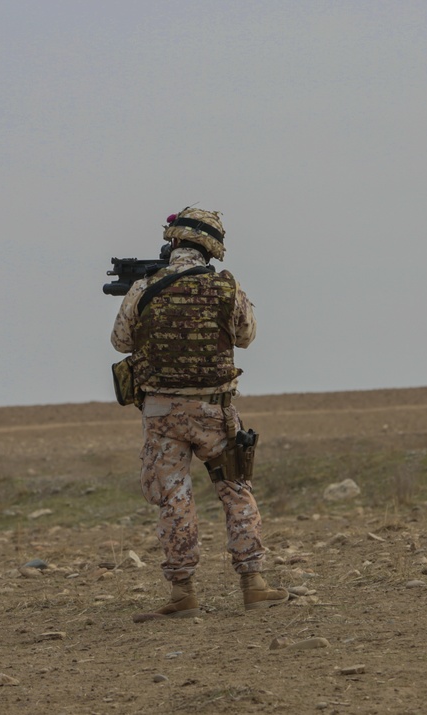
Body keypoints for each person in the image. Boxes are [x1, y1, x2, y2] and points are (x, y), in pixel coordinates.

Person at [110, 207, 288, 619]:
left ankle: (183, 593)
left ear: (173, 241)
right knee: (235, 490)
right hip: (215, 411)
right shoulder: (226, 287)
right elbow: (247, 336)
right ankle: (253, 584)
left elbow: (121, 342)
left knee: (173, 498)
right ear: (211, 247)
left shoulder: (145, 287)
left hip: (162, 414)